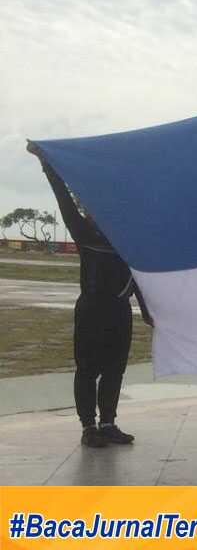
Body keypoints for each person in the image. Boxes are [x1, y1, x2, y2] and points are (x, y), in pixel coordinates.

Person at [28, 142, 152, 448]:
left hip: (119, 312)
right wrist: (48, 165)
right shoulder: (85, 235)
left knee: (115, 369)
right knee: (87, 369)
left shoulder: (129, 244)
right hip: (91, 312)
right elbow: (64, 201)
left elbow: (137, 281)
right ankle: (88, 427)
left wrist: (148, 313)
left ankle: (108, 423)